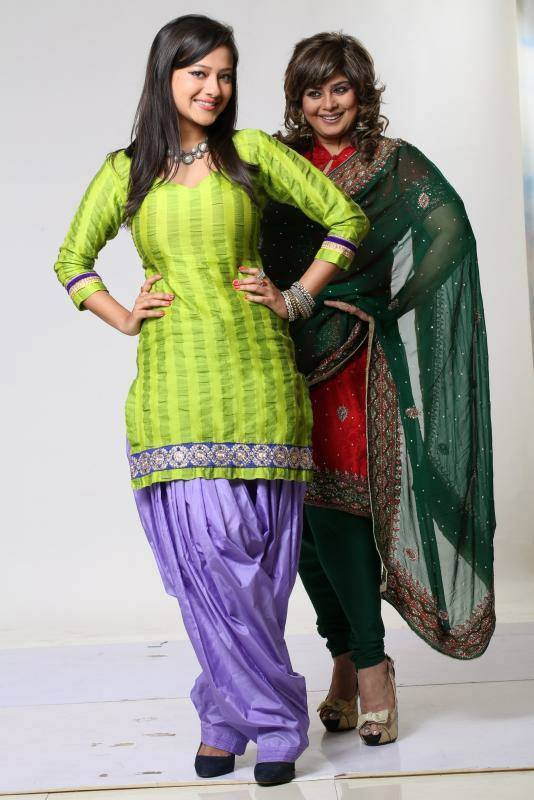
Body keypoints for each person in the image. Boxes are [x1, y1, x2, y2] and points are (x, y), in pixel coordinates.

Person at [53, 16, 369, 787]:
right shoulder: (128, 170)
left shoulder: (251, 153)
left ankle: (223, 718)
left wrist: (295, 296)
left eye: (225, 74)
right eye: (198, 73)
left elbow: (347, 219)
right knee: (210, 565)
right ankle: (276, 720)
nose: (213, 88)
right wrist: (123, 315)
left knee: (259, 572)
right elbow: (71, 259)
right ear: (166, 75)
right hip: (173, 395)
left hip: (259, 385)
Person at [260, 31, 495, 747]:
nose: (328, 104)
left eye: (340, 88)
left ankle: (371, 670)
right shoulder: (276, 165)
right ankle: (341, 657)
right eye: (314, 91)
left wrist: (386, 304)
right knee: (296, 524)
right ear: (297, 99)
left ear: (362, 94)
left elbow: (448, 229)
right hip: (277, 359)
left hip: (354, 362)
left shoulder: (390, 165)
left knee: (338, 510)